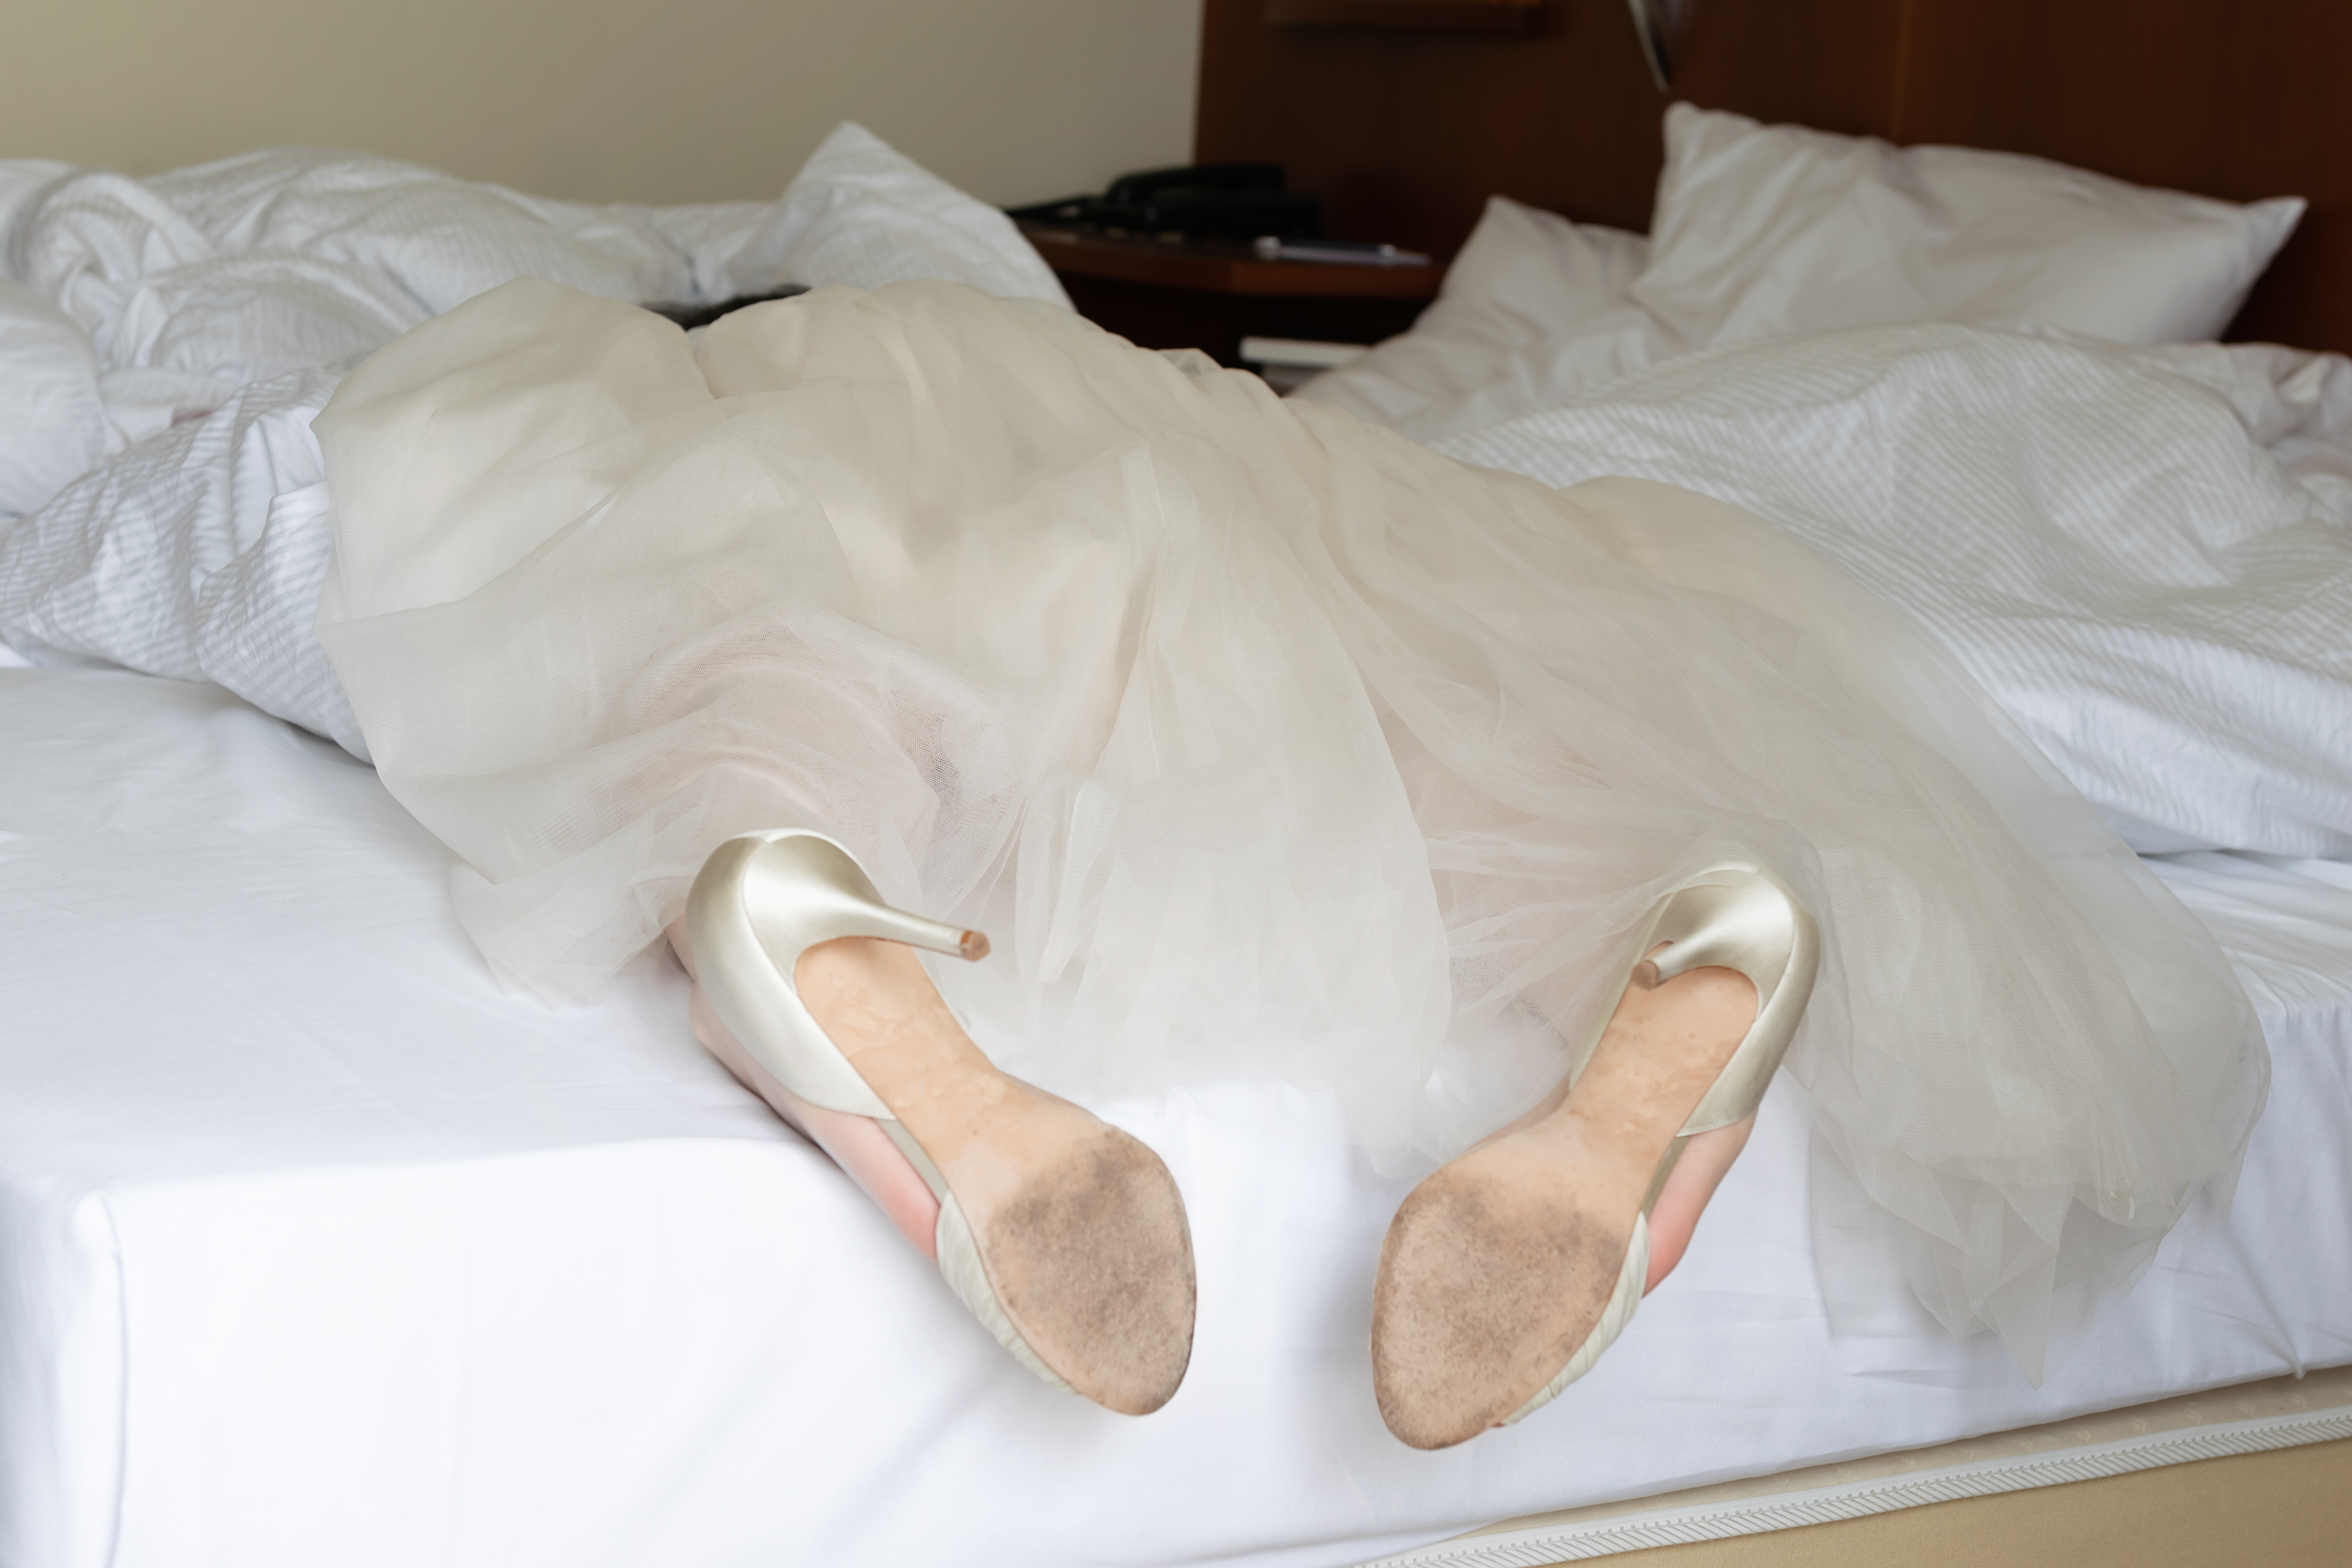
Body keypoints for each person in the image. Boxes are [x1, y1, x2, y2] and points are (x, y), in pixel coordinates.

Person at [307, 276, 2260, 1447]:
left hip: (890, 490)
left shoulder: (752, 383)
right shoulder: (1115, 386)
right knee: (1429, 722)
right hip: (1242, 475)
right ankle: (1692, 928)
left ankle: (789, 889)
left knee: (799, 667)